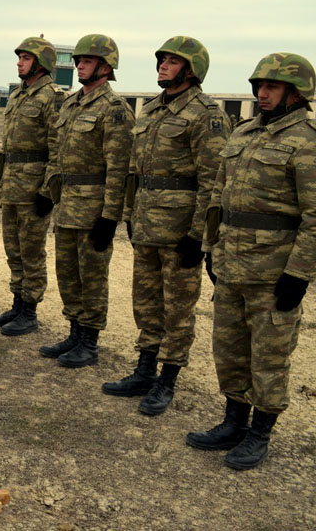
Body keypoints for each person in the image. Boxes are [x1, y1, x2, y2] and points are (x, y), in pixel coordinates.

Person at [186, 53, 316, 470]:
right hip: (232, 264)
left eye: (272, 87)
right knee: (229, 350)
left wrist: (299, 275)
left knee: (269, 356)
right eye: (259, 85)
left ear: (296, 92)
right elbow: (218, 193)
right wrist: (210, 247)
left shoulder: (313, 139)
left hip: (274, 273)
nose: (262, 93)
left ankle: (260, 432)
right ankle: (233, 421)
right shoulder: (245, 131)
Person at [102, 37, 229, 415]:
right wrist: (129, 214)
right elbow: (134, 172)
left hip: (180, 231)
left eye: (173, 62)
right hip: (147, 225)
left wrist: (198, 236)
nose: (163, 66)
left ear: (191, 70)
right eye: (162, 60)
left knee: (177, 308)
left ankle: (168, 379)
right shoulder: (153, 110)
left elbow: (213, 182)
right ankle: (144, 369)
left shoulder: (208, 115)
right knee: (145, 302)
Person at [40, 34, 133, 367]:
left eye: (87, 61)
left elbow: (119, 167)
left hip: (93, 209)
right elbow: (57, 153)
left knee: (91, 276)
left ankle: (90, 342)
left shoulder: (115, 109)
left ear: (106, 67)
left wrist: (110, 217)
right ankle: (75, 332)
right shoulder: (71, 103)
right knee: (68, 273)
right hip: (66, 204)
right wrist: (49, 195)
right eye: (78, 60)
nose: (79, 65)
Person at [0, 36, 66, 336]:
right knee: (13, 249)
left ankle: (30, 311)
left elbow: (58, 150)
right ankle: (17, 303)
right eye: (19, 58)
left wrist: (47, 191)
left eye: (25, 58)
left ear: (41, 63)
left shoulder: (53, 97)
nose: (19, 62)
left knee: (31, 251)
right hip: (11, 185)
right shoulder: (19, 95)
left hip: (34, 189)